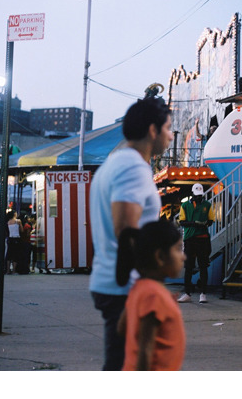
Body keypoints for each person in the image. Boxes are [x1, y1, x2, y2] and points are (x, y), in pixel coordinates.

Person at [89, 94, 173, 370]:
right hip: (126, 288)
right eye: (168, 128)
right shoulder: (132, 167)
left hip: (117, 283)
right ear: (152, 130)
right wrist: (141, 290)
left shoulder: (116, 162)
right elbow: (125, 230)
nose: (171, 136)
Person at [116, 220, 186, 370]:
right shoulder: (155, 295)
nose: (183, 257)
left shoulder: (140, 288)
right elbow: (146, 350)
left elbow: (122, 328)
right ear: (160, 257)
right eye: (178, 249)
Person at [177, 183, 215, 304]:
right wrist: (194, 223)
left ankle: (203, 294)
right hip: (189, 238)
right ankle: (187, 293)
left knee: (203, 266)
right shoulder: (185, 206)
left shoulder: (207, 205)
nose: (199, 197)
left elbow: (211, 220)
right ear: (193, 194)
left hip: (203, 238)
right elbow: (182, 221)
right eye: (197, 195)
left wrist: (204, 223)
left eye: (200, 195)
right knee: (188, 267)